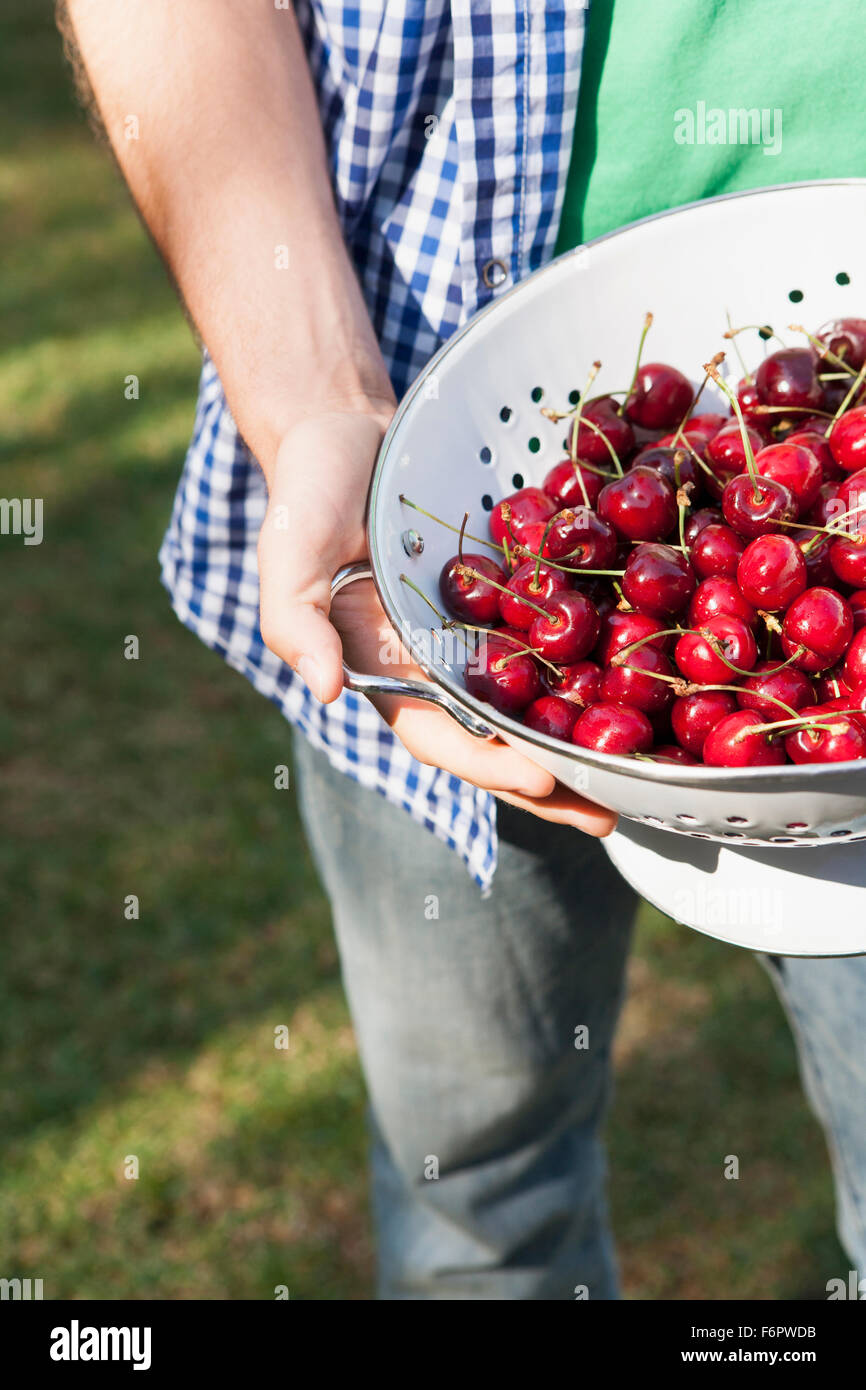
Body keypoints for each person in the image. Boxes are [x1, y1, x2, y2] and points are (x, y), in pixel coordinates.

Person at [61, 0, 866, 1299]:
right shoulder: (506, 545)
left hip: (616, 545)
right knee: (475, 1182)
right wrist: (315, 399)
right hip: (422, 495)